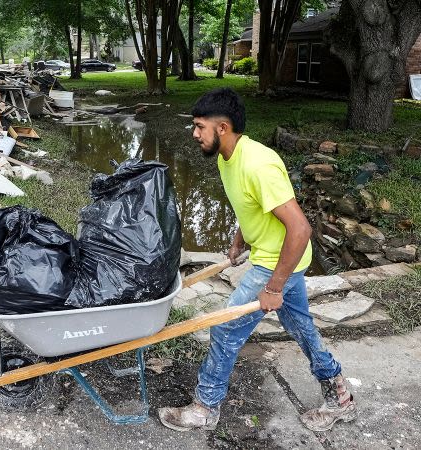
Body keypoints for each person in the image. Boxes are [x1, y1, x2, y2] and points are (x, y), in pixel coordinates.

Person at [157, 88, 357, 433]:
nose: (194, 133)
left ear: (223, 128)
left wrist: (274, 286)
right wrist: (238, 240)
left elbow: (300, 228)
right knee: (301, 329)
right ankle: (339, 397)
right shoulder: (226, 158)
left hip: (279, 261)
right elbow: (247, 205)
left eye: (199, 126)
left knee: (224, 328)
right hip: (276, 256)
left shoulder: (258, 164)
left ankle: (205, 407)